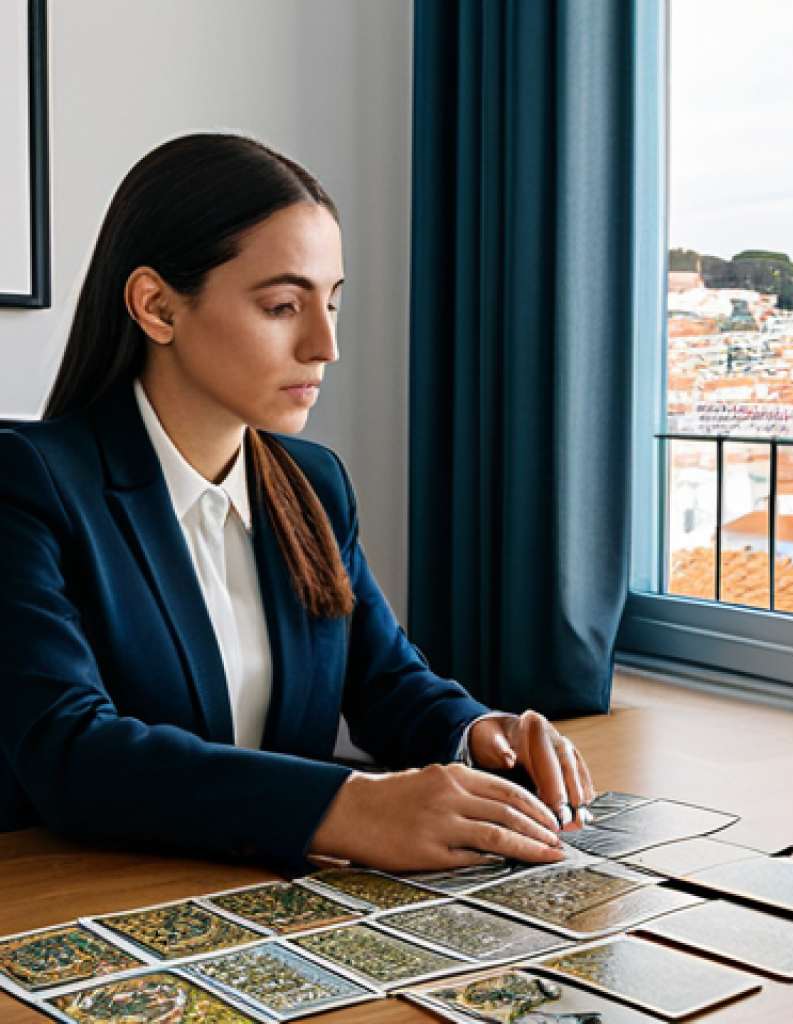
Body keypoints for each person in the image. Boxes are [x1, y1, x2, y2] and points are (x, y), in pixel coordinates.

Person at [0, 134, 594, 875]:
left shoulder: (314, 483)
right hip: (81, 905)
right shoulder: (28, 481)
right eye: (284, 305)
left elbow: (384, 681)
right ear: (156, 306)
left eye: (332, 301)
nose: (325, 344)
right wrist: (344, 807)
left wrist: (475, 731)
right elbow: (71, 752)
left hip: (277, 904)